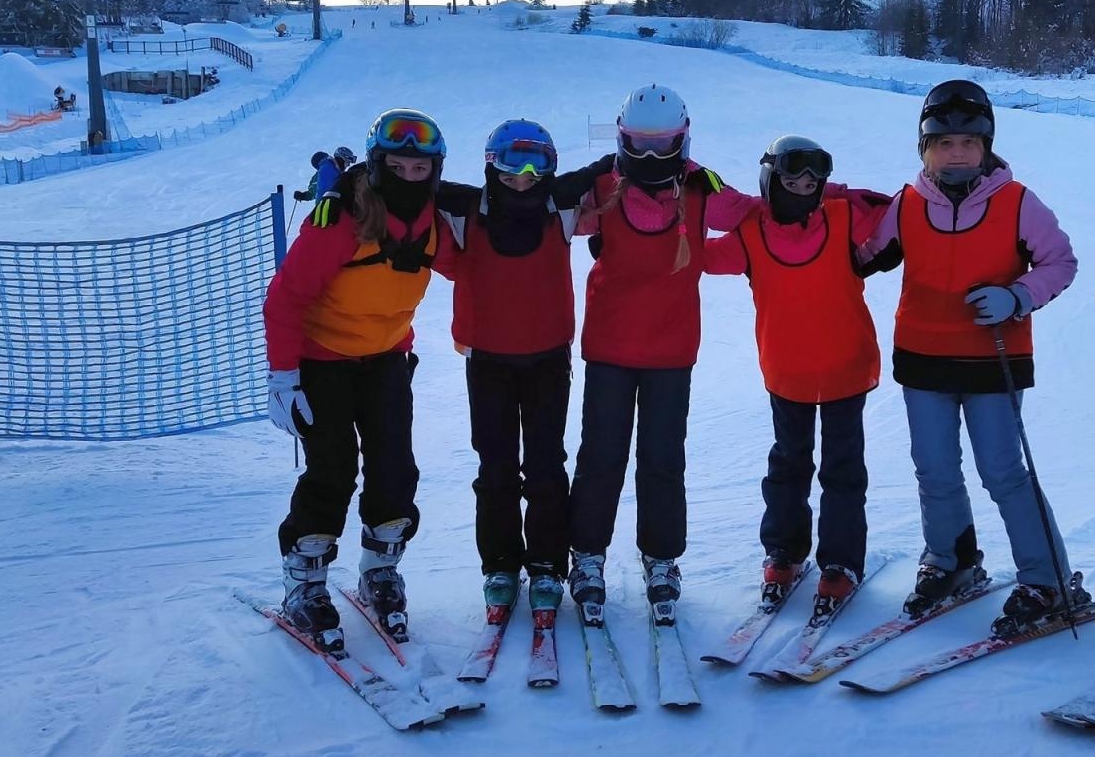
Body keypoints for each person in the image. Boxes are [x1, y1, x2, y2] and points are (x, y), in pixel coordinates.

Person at [860, 80, 1082, 636]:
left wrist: (1018, 295)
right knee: (934, 470)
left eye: (967, 142)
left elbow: (1060, 262)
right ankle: (951, 562)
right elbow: (862, 255)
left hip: (993, 361)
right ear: (924, 148)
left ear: (985, 146)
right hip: (923, 358)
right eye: (942, 143)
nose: (955, 152)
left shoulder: (1018, 203)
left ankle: (1047, 579)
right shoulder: (907, 203)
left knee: (1003, 471)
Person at [261, 108, 454, 649]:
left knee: (395, 468)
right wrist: (284, 376)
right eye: (398, 166)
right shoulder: (340, 218)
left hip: (387, 359)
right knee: (332, 470)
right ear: (376, 164)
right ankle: (305, 581)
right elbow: (284, 299)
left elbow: (470, 267)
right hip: (322, 362)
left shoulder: (436, 218)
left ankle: (380, 570)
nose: (410, 177)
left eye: (421, 169)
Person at [566, 85, 757, 624]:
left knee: (662, 458)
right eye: (639, 145)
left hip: (672, 351)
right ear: (622, 139)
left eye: (663, 144)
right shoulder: (602, 186)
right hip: (609, 347)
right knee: (600, 456)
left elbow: (762, 212)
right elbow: (541, 215)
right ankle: (587, 556)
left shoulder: (700, 187)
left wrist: (826, 194)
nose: (650, 157)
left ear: (683, 139)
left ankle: (662, 559)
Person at [705, 135, 890, 617]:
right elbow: (698, 257)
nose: (804, 189)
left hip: (846, 368)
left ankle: (841, 561)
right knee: (788, 466)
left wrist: (841, 196)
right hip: (788, 374)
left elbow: (898, 213)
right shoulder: (751, 232)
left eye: (814, 182)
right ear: (771, 181)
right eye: (792, 180)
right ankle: (784, 551)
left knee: (843, 470)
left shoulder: (843, 218)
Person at [435, 120, 608, 628]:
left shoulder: (563, 204)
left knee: (546, 466)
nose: (523, 180)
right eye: (511, 170)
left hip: (548, 360)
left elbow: (623, 168)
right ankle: (501, 567)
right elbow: (401, 183)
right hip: (486, 361)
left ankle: (548, 566)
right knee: (495, 468)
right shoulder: (463, 208)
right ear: (492, 166)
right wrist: (344, 179)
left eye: (535, 171)